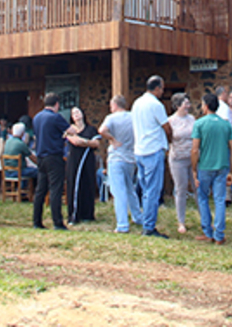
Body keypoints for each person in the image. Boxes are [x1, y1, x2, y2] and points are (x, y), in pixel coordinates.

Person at [191, 93, 232, 245]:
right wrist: (231, 170)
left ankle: (207, 231)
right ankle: (219, 234)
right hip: (222, 165)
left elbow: (195, 149)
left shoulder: (199, 124)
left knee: (203, 198)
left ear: (206, 106)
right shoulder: (226, 125)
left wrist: (194, 169)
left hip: (205, 166)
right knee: (219, 199)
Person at [132, 75, 172, 238]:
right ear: (156, 88)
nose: (162, 91)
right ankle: (149, 226)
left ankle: (145, 220)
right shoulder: (156, 105)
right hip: (153, 149)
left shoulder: (137, 103)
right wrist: (169, 139)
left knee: (145, 189)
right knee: (153, 191)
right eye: (162, 88)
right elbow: (166, 127)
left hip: (139, 150)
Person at [99, 95, 142, 234]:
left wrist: (112, 139)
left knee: (119, 192)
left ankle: (122, 224)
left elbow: (102, 130)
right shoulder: (133, 117)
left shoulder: (111, 118)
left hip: (116, 158)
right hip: (130, 158)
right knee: (130, 188)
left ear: (115, 105)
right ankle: (138, 217)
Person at [32, 93, 73, 230]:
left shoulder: (37, 117)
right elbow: (71, 130)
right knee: (55, 189)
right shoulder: (56, 117)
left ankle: (36, 221)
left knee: (40, 190)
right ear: (56, 104)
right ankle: (57, 222)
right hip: (54, 156)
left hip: (40, 157)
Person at [166, 93, 195, 234]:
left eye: (188, 103)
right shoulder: (170, 121)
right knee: (181, 189)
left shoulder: (192, 119)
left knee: (197, 187)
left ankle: (205, 218)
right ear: (177, 106)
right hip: (178, 159)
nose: (188, 106)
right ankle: (181, 221)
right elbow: (168, 138)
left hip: (192, 158)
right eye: (185, 104)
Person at [65, 107, 99, 224]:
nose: (76, 114)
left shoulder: (91, 129)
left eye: (78, 112)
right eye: (73, 113)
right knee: (74, 184)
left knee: (88, 183)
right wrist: (87, 142)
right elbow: (75, 142)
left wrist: (84, 142)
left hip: (88, 160)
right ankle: (74, 214)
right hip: (74, 160)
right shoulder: (70, 129)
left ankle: (87, 214)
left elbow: (96, 143)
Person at [3, 121, 38, 189]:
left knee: (25, 169)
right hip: (17, 172)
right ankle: (37, 191)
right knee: (38, 171)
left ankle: (21, 190)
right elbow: (32, 158)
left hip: (7, 172)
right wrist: (41, 164)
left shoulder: (7, 141)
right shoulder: (21, 144)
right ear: (22, 133)